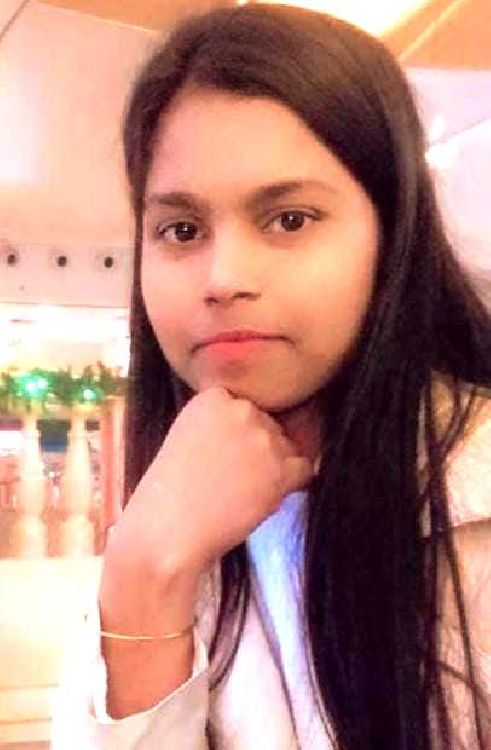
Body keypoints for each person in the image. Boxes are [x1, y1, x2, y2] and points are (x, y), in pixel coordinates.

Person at [51, 4, 491, 748]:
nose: (223, 278)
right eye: (182, 230)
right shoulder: (171, 511)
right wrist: (144, 577)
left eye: (289, 219)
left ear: (392, 235)